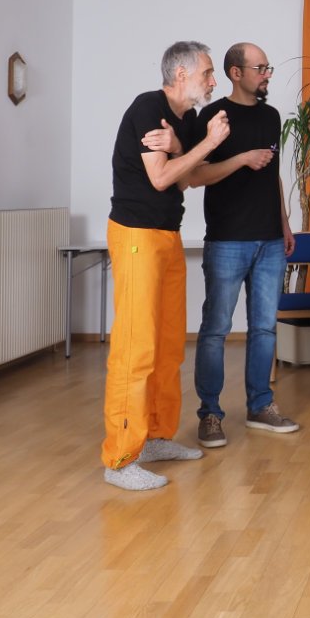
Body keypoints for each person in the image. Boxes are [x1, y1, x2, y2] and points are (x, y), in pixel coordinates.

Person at [101, 41, 229, 491]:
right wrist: (204, 144)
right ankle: (120, 459)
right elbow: (160, 178)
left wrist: (181, 145)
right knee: (135, 346)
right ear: (181, 75)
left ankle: (155, 437)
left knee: (169, 343)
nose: (213, 81)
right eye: (207, 72)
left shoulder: (187, 119)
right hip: (136, 235)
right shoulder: (148, 108)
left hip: (166, 234)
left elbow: (188, 178)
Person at [186, 43, 298, 448]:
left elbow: (273, 175)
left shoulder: (270, 116)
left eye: (268, 68)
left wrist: (284, 224)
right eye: (260, 68)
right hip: (227, 240)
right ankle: (210, 414)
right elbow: (195, 176)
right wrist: (242, 159)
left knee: (264, 328)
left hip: (270, 240)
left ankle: (260, 406)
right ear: (236, 73)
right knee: (216, 330)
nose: (267, 75)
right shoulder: (213, 117)